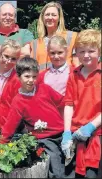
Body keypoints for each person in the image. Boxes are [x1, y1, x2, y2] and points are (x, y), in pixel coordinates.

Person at [0, 57, 66, 178]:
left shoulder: (44, 88)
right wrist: (1, 144)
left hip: (62, 133)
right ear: (18, 77)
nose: (31, 80)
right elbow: (10, 126)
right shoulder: (18, 101)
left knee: (71, 163)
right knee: (56, 170)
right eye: (27, 76)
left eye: (34, 77)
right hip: (45, 139)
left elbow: (62, 101)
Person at [61, 29, 101, 178]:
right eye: (81, 51)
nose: (86, 55)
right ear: (76, 52)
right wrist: (66, 132)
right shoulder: (73, 74)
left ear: (99, 51)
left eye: (91, 51)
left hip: (97, 134)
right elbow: (68, 104)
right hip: (75, 136)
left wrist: (90, 126)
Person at [0, 2, 34, 71]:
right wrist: (17, 51)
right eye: (4, 14)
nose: (7, 18)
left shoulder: (25, 33)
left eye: (10, 15)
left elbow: (27, 52)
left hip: (19, 78)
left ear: (15, 17)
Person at [30, 1, 79, 71]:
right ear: (42, 18)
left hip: (66, 80)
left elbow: (77, 65)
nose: (50, 17)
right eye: (47, 15)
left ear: (59, 18)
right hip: (42, 81)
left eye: (54, 15)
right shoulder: (35, 43)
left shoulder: (72, 37)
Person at [0, 39, 21, 136]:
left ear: (17, 60)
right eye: (6, 56)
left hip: (12, 129)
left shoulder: (18, 79)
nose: (8, 61)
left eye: (13, 58)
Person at [37, 35, 75, 116]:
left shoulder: (74, 73)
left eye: (60, 52)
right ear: (48, 53)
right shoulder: (43, 76)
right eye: (52, 53)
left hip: (67, 117)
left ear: (67, 51)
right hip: (47, 116)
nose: (56, 56)